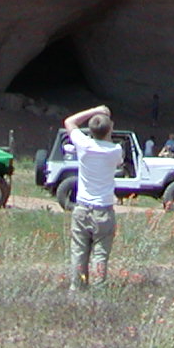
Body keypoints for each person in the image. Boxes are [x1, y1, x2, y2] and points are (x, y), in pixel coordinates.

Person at [64, 104, 121, 289]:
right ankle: (98, 290)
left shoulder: (84, 145)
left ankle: (77, 288)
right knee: (100, 255)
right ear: (110, 129)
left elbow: (70, 122)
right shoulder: (115, 151)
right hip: (104, 210)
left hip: (82, 208)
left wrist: (95, 111)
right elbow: (117, 157)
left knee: (78, 253)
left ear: (90, 130)